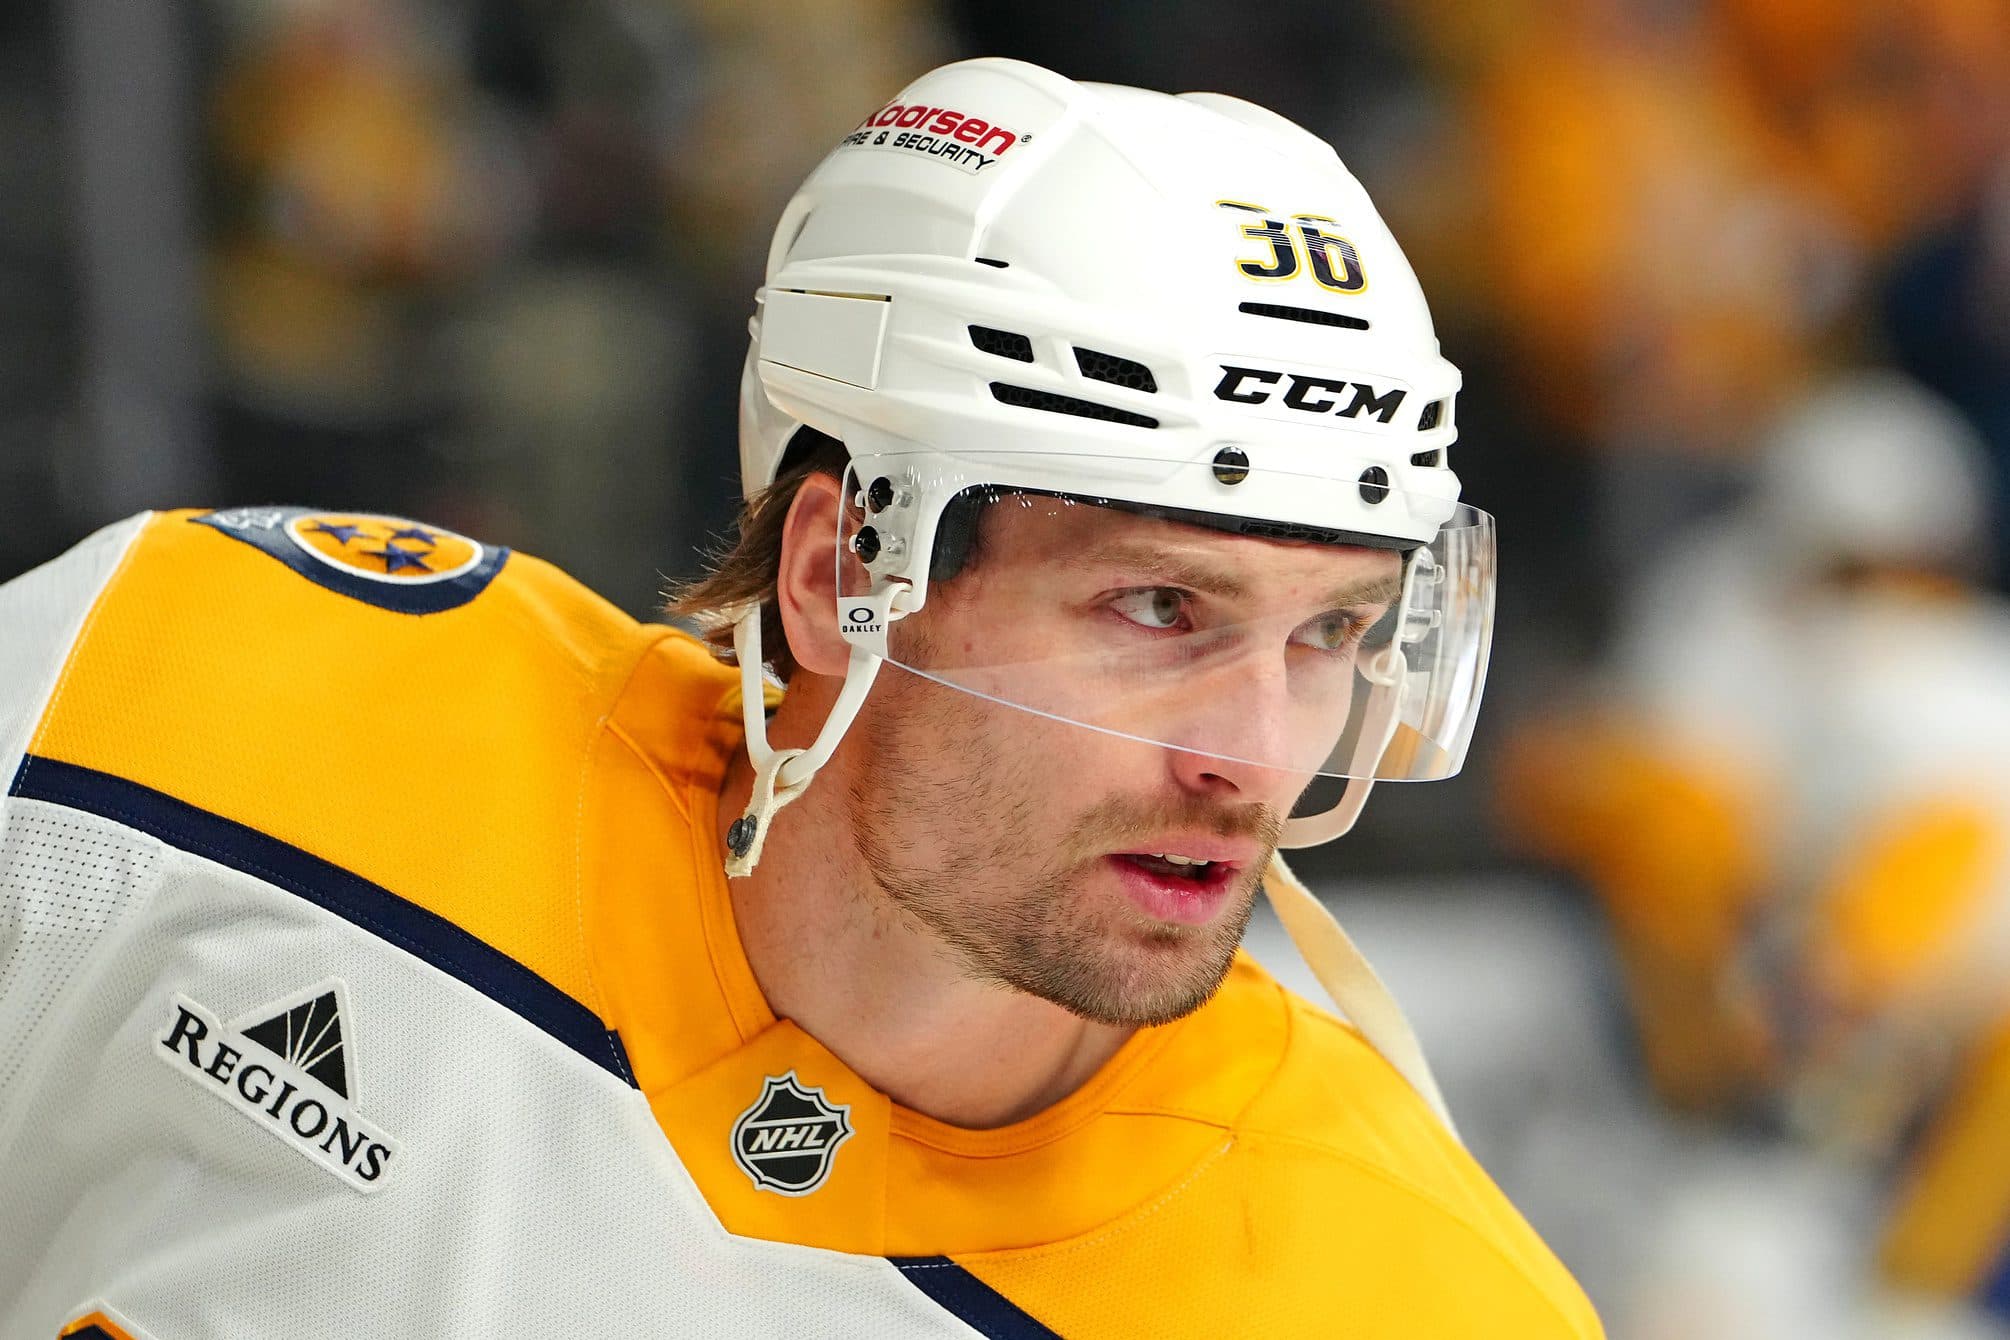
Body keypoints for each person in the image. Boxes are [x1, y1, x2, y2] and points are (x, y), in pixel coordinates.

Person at [0, 57, 1600, 1338]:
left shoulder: (1412, 1300)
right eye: (1158, 606)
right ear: (843, 574)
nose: (1250, 759)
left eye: (1329, 633)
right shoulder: (187, 691)